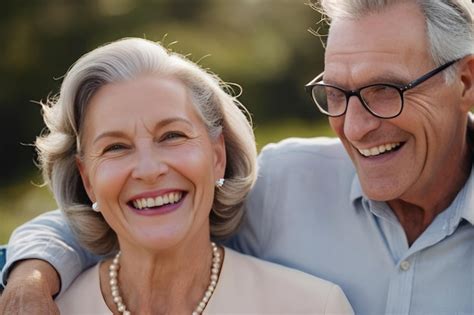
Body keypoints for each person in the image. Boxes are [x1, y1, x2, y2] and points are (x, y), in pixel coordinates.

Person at [2, 0, 474, 314]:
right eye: (336, 93)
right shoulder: (288, 182)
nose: (354, 127)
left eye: (385, 90)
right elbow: (145, 207)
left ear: (466, 83)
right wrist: (30, 276)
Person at [0, 37, 354, 314]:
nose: (150, 170)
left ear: (217, 156)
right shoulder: (43, 308)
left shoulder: (312, 307)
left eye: (172, 136)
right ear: (87, 179)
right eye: (116, 148)